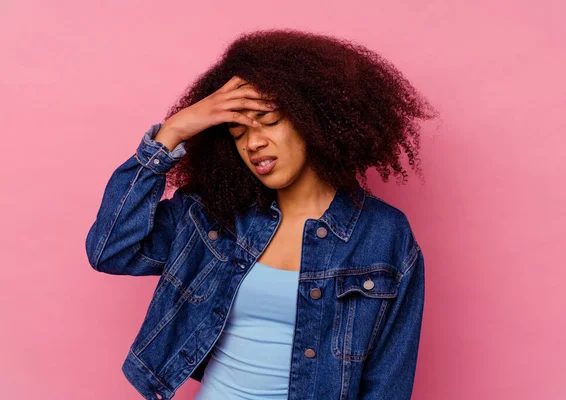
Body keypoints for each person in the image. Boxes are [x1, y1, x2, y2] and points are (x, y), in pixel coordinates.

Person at [85, 28, 437, 400]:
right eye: (238, 133)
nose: (253, 142)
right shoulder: (213, 215)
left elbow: (388, 381)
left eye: (268, 121)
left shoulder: (383, 235)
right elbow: (110, 250)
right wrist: (172, 133)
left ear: (313, 118)